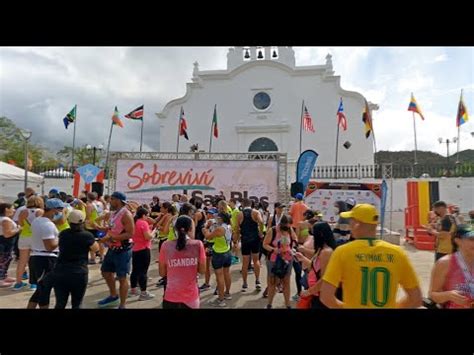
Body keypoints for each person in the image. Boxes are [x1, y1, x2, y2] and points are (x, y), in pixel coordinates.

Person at [320, 204, 422, 309]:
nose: (349, 225)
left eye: (351, 221)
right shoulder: (397, 253)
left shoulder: (343, 252)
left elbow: (326, 296)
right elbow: (416, 299)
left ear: (356, 224)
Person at [53, 210, 99, 309]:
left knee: (60, 303)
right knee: (77, 304)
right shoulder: (87, 236)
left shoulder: (63, 234)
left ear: (69, 222)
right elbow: (96, 249)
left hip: (61, 271)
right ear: (82, 222)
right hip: (79, 272)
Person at [97, 191, 135, 309]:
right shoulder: (114, 213)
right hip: (113, 248)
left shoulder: (126, 214)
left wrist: (111, 237)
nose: (109, 201)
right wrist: (102, 231)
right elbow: (112, 228)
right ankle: (113, 296)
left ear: (118, 200)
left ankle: (122, 305)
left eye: (112, 199)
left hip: (123, 250)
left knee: (122, 278)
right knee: (106, 272)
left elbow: (130, 233)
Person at [159, 215, 206, 308]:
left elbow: (162, 273)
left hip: (171, 295)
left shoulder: (166, 245)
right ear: (191, 229)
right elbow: (202, 271)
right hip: (191, 297)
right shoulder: (198, 245)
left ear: (175, 228)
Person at [28, 198, 64, 309]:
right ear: (54, 210)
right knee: (45, 290)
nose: (61, 213)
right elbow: (49, 246)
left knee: (40, 290)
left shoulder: (37, 220)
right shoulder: (47, 225)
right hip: (45, 259)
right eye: (61, 210)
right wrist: (61, 239)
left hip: (37, 257)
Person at [428, 224, 474, 309]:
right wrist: (448, 295)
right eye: (472, 239)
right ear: (458, 241)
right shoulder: (444, 263)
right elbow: (432, 294)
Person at [295, 222, 336, 309]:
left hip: (320, 295)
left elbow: (325, 278)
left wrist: (309, 292)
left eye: (314, 234)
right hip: (315, 293)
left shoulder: (326, 252)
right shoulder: (321, 249)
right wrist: (302, 258)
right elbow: (315, 267)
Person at [263, 214, 297, 309]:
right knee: (272, 282)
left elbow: (295, 239)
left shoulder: (290, 230)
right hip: (274, 260)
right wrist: (274, 249)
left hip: (287, 259)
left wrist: (292, 248)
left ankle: (288, 304)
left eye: (289, 226)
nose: (287, 228)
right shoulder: (273, 230)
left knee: (286, 282)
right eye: (286, 226)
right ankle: (269, 304)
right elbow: (265, 244)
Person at [13, 195, 44, 290]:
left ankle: (18, 283)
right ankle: (33, 283)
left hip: (24, 237)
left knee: (22, 261)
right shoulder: (41, 212)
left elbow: (21, 225)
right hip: (36, 237)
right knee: (34, 260)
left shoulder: (23, 212)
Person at [202, 212, 233, 307]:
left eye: (217, 218)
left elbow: (208, 237)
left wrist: (205, 229)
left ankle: (221, 299)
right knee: (226, 273)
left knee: (219, 277)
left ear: (221, 219)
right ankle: (227, 293)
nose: (216, 219)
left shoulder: (219, 229)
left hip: (219, 253)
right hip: (227, 252)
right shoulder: (228, 226)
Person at [236, 198, 264, 292]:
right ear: (251, 204)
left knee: (245, 262)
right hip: (255, 239)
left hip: (245, 240)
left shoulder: (239, 214)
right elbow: (261, 222)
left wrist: (236, 240)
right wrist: (260, 232)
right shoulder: (256, 212)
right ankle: (257, 281)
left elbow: (237, 229)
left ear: (243, 204)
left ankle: (245, 283)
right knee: (256, 261)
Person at [129, 207, 155, 300]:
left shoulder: (134, 222)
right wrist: (153, 233)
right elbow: (147, 237)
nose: (148, 217)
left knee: (135, 270)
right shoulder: (143, 223)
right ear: (143, 215)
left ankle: (133, 289)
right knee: (143, 272)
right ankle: (143, 293)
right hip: (144, 249)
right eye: (147, 215)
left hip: (135, 249)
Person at [0, 203, 21, 287]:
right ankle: (0, 278)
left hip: (6, 243)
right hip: (4, 243)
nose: (14, 210)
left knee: (7, 258)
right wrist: (18, 229)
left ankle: (4, 276)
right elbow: (7, 234)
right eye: (12, 208)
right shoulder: (5, 220)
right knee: (3, 260)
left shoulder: (5, 219)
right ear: (6, 209)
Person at [198, 207, 217, 292]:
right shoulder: (215, 222)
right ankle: (209, 284)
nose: (209, 214)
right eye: (208, 213)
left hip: (211, 244)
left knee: (213, 266)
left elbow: (205, 232)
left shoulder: (211, 222)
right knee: (210, 266)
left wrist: (205, 228)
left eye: (211, 213)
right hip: (209, 244)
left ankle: (211, 284)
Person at [86, 192, 105, 264]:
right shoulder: (100, 203)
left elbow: (88, 217)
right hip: (100, 225)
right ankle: (102, 257)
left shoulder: (89, 206)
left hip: (92, 226)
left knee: (91, 242)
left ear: (88, 197)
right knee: (101, 241)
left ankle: (92, 258)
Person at [228, 198, 241, 265]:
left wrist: (236, 229)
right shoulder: (231, 210)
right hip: (231, 229)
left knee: (236, 243)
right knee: (234, 244)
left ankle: (236, 258)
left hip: (235, 229)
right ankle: (233, 257)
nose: (228, 203)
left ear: (233, 202)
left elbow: (238, 221)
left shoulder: (237, 211)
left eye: (229, 202)